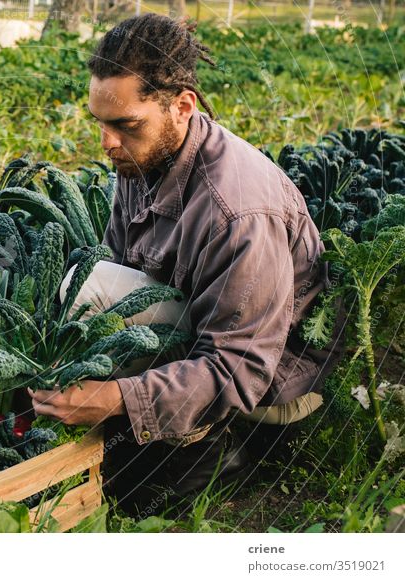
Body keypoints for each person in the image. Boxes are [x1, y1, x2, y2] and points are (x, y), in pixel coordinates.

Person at [28, 13, 344, 516]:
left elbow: (239, 370)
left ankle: (228, 444)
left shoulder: (238, 211)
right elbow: (117, 272)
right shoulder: (143, 155)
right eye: (101, 123)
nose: (106, 143)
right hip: (192, 330)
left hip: (264, 386)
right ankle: (155, 426)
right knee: (86, 282)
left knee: (135, 496)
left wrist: (114, 399)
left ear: (182, 106)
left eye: (125, 125)